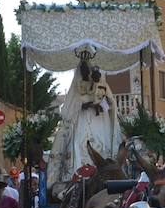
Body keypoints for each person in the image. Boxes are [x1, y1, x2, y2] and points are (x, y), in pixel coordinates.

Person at [49, 56, 122, 184]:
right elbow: (69, 109)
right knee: (79, 145)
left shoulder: (102, 85)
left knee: (101, 146)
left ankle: (104, 175)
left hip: (99, 122)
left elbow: (111, 104)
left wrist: (100, 105)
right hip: (82, 122)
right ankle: (78, 177)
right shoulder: (78, 88)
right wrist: (83, 105)